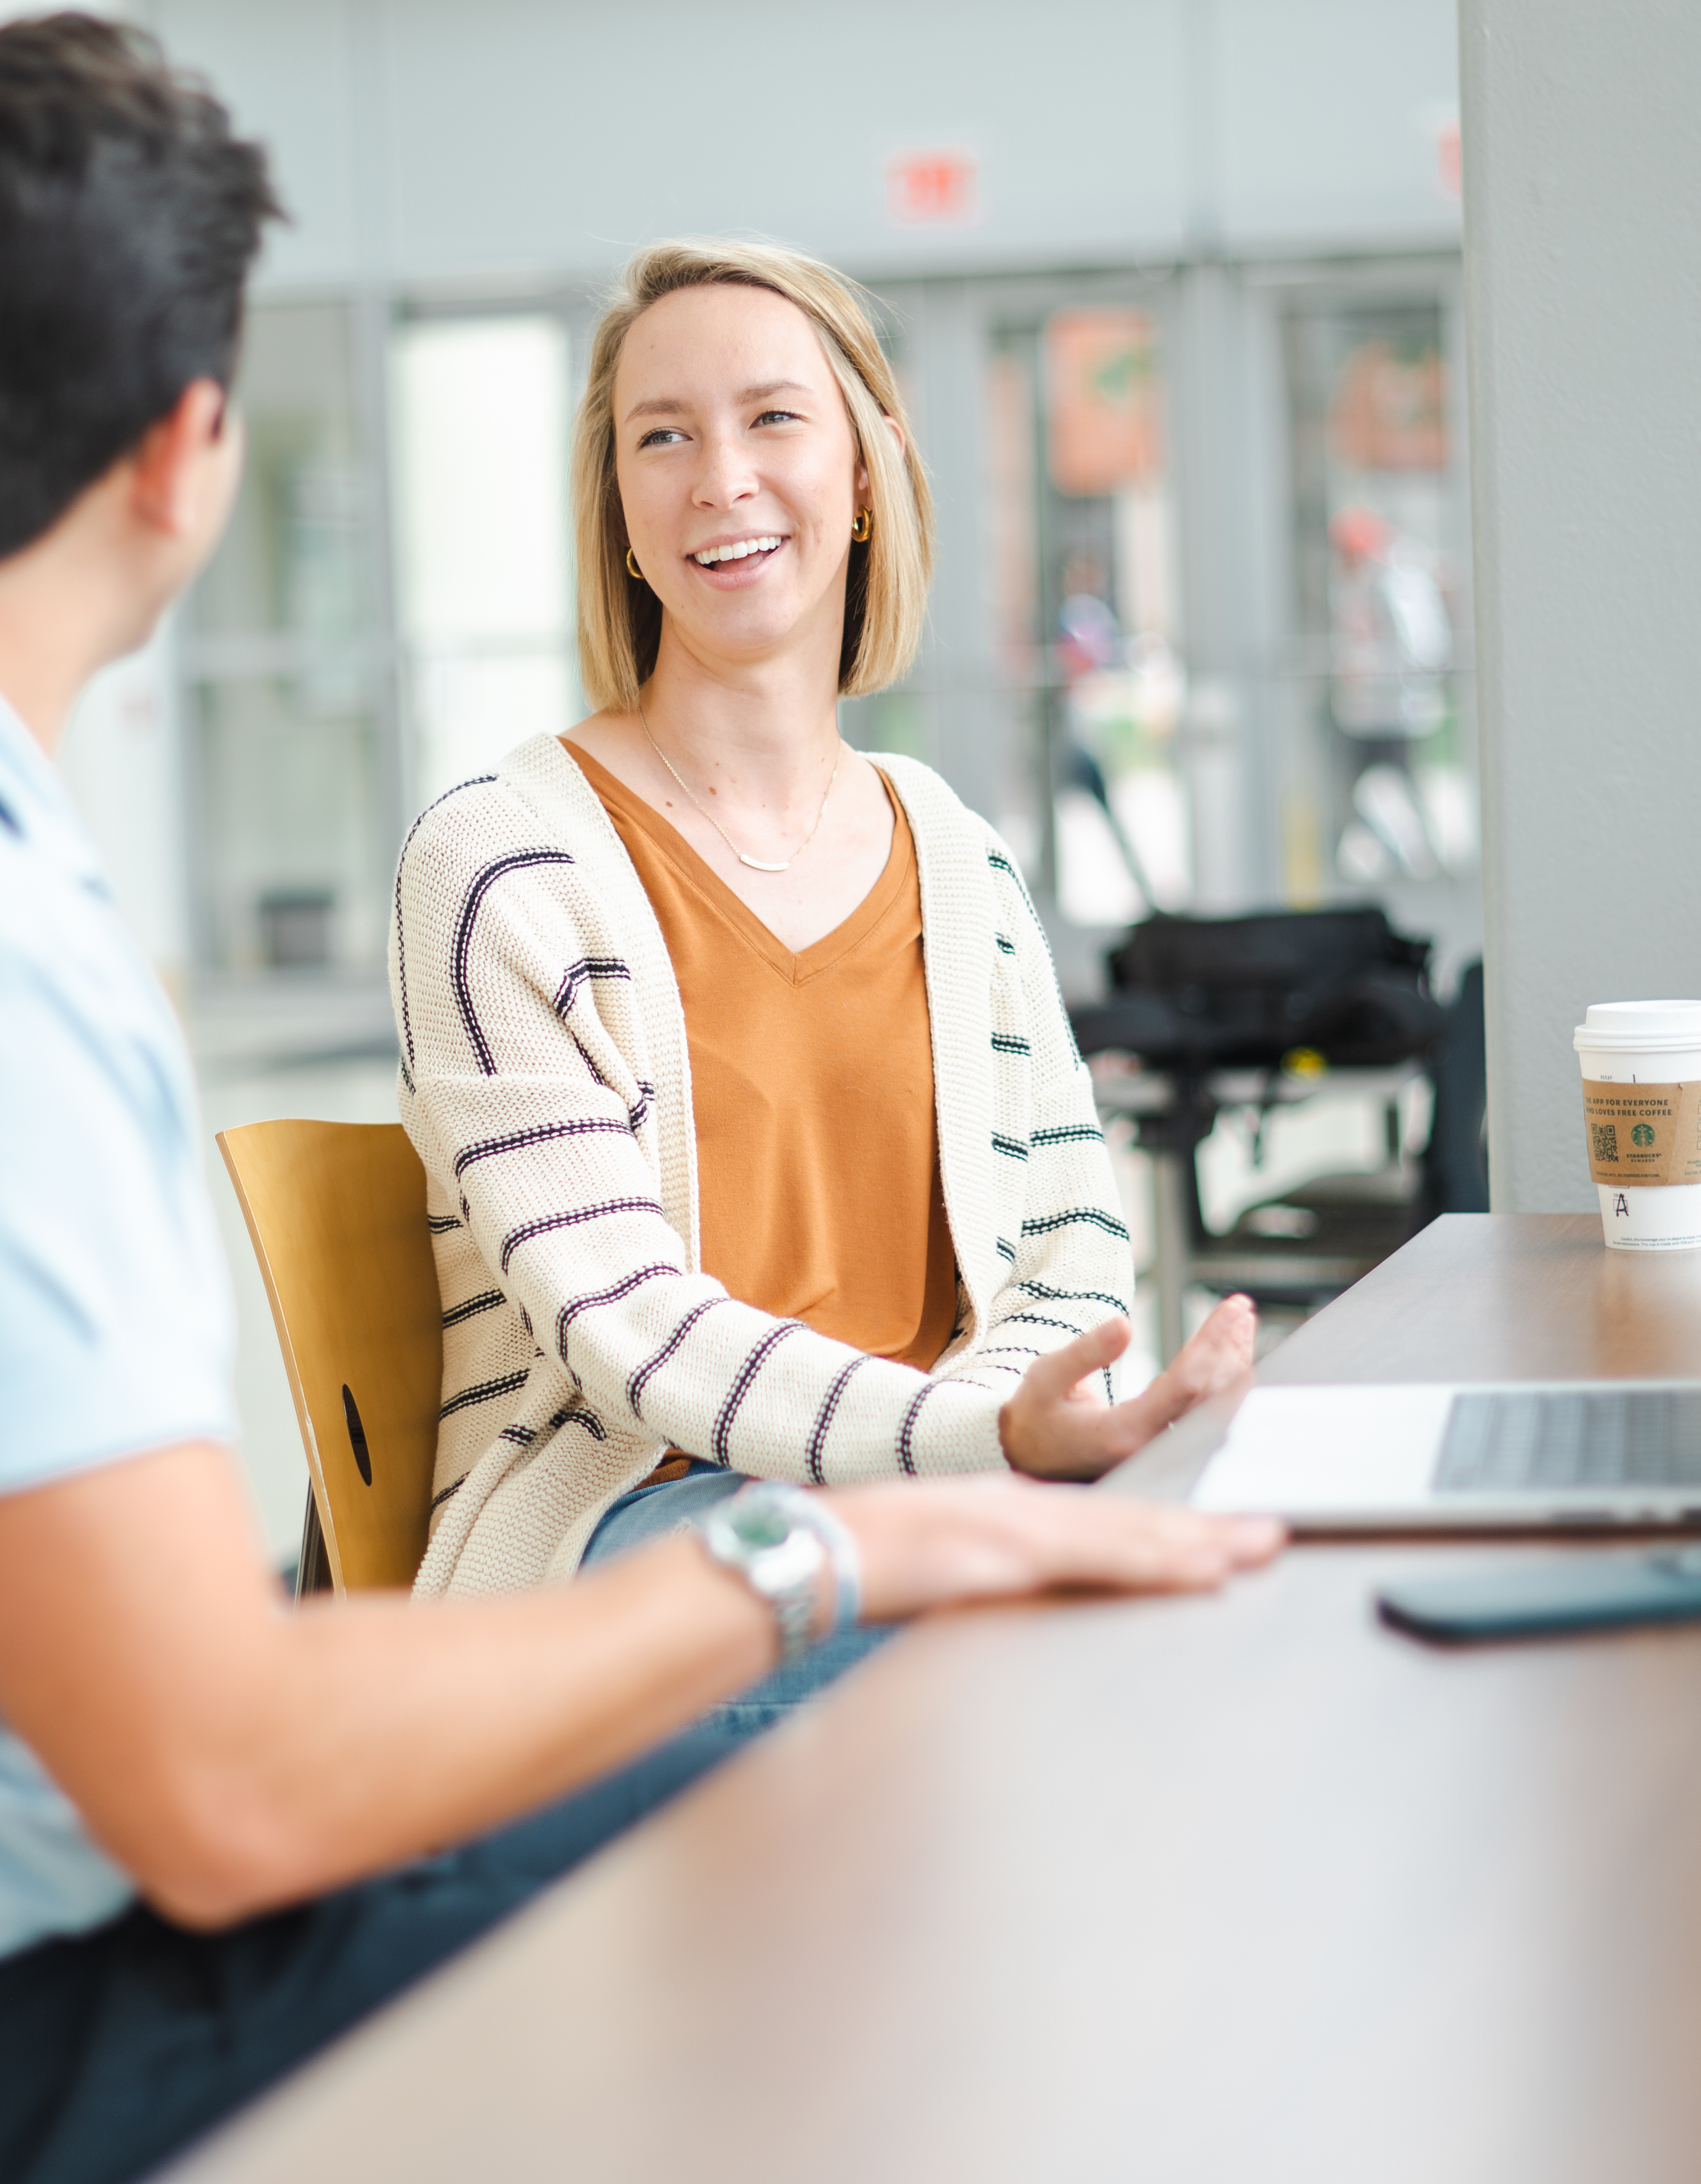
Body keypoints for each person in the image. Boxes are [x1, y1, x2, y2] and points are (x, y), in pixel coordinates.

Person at [0, 20, 1284, 2184]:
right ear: (183, 445)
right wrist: (829, 1552)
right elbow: (220, 1784)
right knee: (916, 1850)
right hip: (61, 2046)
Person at [393, 239, 1262, 1727]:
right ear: (619, 511)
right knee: (1059, 1670)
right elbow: (633, 1333)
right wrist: (980, 1451)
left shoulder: (957, 856)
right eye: (661, 436)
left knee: (1233, 1600)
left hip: (939, 1507)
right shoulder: (500, 863)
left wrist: (1013, 1439)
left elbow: (1067, 1244)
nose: (720, 478)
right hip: (636, 1544)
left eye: (773, 418)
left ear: (867, 470)